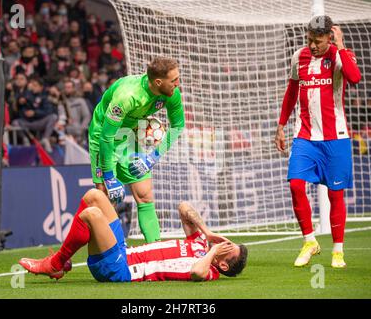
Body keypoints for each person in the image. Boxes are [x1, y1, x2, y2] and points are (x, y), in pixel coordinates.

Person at [274, 16, 361, 268]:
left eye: (318, 41)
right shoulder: (298, 57)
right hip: (305, 137)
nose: (312, 46)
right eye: (309, 40)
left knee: (335, 194)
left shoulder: (339, 55)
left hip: (336, 138)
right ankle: (310, 240)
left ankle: (337, 250)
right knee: (296, 185)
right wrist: (281, 126)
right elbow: (291, 92)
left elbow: (354, 78)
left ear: (329, 37)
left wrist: (341, 45)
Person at [19, 188, 248, 282]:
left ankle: (56, 263)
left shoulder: (209, 270)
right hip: (124, 251)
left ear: (224, 265)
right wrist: (208, 233)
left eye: (228, 247)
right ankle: (58, 264)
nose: (225, 243)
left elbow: (197, 273)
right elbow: (184, 207)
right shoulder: (199, 243)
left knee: (91, 215)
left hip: (118, 269)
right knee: (95, 196)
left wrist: (215, 251)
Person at [88, 56, 185, 243]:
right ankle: (116, 253)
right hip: (103, 134)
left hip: (131, 132)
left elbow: (178, 126)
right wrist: (108, 176)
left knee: (145, 195)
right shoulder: (127, 96)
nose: (177, 84)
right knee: (105, 200)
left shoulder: (172, 94)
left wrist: (151, 158)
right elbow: (106, 137)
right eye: (173, 80)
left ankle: (156, 251)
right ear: (158, 82)